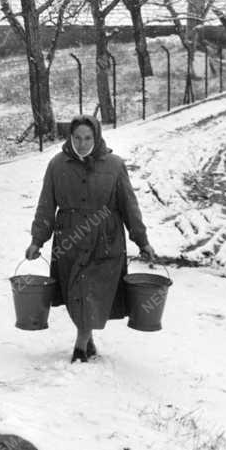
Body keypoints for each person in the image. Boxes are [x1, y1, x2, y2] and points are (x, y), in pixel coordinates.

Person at [24, 114, 156, 363]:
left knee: (92, 291)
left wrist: (142, 240)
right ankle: (88, 340)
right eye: (77, 138)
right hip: (69, 240)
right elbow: (45, 206)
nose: (82, 143)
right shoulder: (56, 165)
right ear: (70, 138)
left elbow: (129, 206)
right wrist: (37, 240)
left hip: (105, 239)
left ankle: (80, 347)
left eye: (87, 138)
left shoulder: (114, 165)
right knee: (77, 292)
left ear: (97, 137)